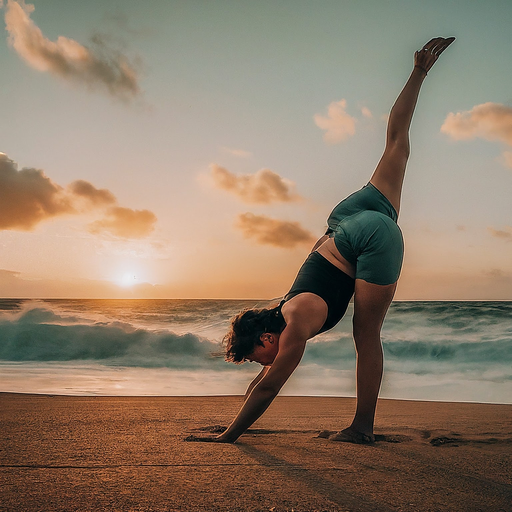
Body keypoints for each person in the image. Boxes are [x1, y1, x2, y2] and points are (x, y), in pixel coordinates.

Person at [188, 37, 455, 444]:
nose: (261, 364)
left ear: (266, 338)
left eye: (256, 356)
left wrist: (229, 437)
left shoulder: (295, 323)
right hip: (347, 219)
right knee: (397, 141)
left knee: (367, 335)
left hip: (371, 236)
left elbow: (269, 386)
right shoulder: (285, 309)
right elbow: (263, 379)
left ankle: (362, 428)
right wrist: (232, 420)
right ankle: (419, 69)